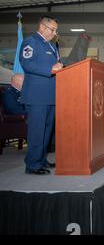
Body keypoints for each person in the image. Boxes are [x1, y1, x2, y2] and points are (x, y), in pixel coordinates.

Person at [19, 16, 63, 175]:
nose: (55, 33)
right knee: (37, 131)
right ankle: (32, 165)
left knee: (46, 132)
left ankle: (41, 159)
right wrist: (51, 69)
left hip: (50, 96)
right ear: (43, 27)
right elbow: (27, 63)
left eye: (56, 30)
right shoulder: (31, 42)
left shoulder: (51, 46)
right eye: (53, 29)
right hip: (36, 96)